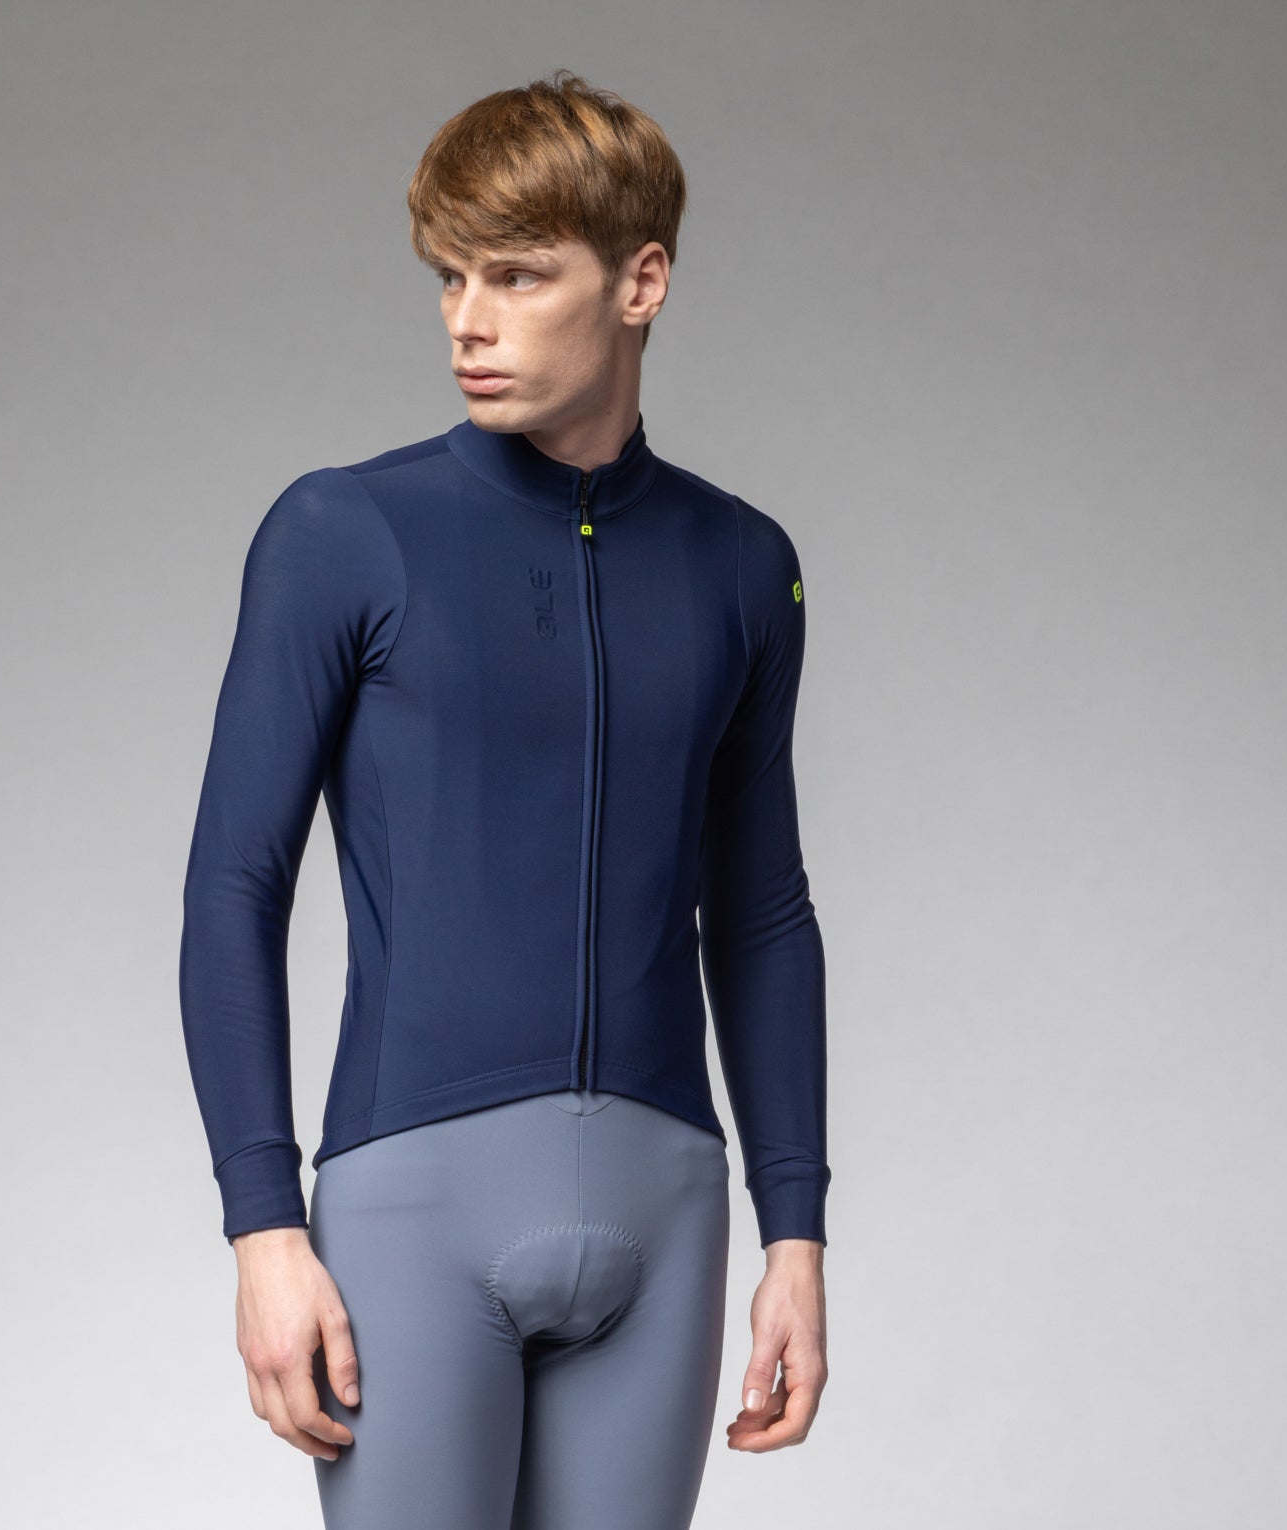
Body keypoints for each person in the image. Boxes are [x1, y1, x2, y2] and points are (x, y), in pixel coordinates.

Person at [179, 68, 830, 1529]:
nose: (466, 320)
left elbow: (763, 913)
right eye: (449, 276)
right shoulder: (346, 532)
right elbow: (233, 886)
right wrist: (262, 1226)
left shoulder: (744, 565)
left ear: (640, 281)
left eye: (518, 275)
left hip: (667, 1211)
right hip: (413, 1209)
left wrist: (794, 1235)